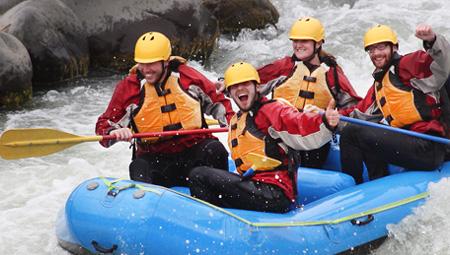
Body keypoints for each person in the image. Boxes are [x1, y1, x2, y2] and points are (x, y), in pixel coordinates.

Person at [188, 62, 340, 213]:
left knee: (199, 175)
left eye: (246, 83)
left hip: (275, 192)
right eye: (235, 86)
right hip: (255, 185)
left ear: (257, 87)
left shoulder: (272, 110)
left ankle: (211, 225)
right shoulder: (238, 118)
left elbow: (299, 124)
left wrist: (325, 121)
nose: (240, 88)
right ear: (229, 93)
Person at [217, 17, 361, 168]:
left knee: (311, 151)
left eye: (304, 41)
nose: (298, 46)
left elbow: (355, 107)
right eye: (295, 41)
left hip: (313, 136)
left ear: (318, 43)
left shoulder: (332, 74)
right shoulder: (285, 67)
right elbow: (251, 82)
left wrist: (333, 117)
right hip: (282, 133)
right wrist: (226, 83)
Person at [96, 31, 234, 187]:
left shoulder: (188, 78)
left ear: (166, 61)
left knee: (215, 150)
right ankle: (150, 204)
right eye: (142, 63)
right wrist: (112, 133)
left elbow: (220, 104)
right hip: (155, 158)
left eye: (152, 63)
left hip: (194, 152)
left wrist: (232, 124)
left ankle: (221, 200)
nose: (146, 69)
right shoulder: (129, 88)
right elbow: (103, 126)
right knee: (139, 167)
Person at [339, 24, 450, 184]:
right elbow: (359, 115)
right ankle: (377, 185)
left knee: (351, 134)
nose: (376, 53)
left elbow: (442, 63)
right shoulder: (380, 84)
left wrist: (432, 40)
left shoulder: (408, 64)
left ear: (394, 47)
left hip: (429, 146)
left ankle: (351, 192)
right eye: (371, 50)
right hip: (412, 142)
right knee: (365, 130)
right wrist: (330, 119)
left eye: (381, 47)